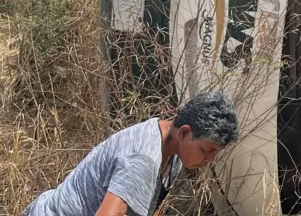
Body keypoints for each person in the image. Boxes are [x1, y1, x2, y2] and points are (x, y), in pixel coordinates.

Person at [24, 91, 239, 216]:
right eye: (207, 150)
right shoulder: (144, 160)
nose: (209, 160)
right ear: (184, 133)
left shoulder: (170, 146)